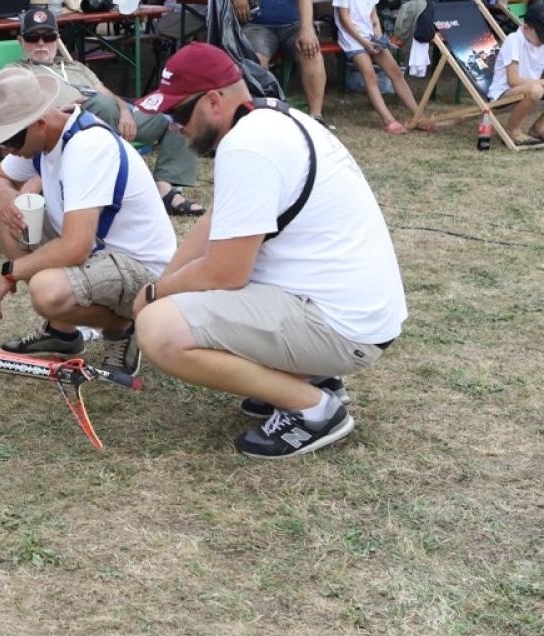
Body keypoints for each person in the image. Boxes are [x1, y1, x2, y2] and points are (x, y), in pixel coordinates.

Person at [132, 43, 407, 460]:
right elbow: (214, 224)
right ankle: (309, 378)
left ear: (213, 101)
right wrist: (163, 282)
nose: (173, 126)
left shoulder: (248, 145)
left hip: (341, 327)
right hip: (354, 315)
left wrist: (155, 295)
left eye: (179, 114)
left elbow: (224, 274)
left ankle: (314, 410)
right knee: (176, 302)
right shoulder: (273, 118)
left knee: (159, 329)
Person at [0, 66, 177, 375]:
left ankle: (123, 325)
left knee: (46, 291)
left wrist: (11, 272)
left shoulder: (86, 146)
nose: (5, 149)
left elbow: (76, 247)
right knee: (0, 221)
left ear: (39, 122)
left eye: (10, 140)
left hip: (141, 270)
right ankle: (62, 332)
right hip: (100, 253)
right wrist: (4, 198)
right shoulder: (46, 136)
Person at [13, 8, 203, 215]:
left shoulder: (76, 67)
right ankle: (114, 188)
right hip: (71, 127)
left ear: (57, 40)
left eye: (48, 36)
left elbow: (108, 95)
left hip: (112, 117)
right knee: (100, 104)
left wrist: (124, 111)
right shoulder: (17, 72)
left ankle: (165, 188)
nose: (41, 43)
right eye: (33, 38)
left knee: (177, 107)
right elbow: (25, 113)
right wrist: (73, 108)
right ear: (21, 42)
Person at [332, 0, 428, 135]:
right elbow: (345, 19)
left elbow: (373, 15)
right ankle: (388, 119)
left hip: (369, 37)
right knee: (370, 76)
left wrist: (377, 36)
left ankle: (418, 114)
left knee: (395, 72)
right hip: (353, 40)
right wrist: (365, 42)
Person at [488, 3, 544, 144]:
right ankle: (512, 130)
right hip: (504, 93)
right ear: (526, 28)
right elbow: (513, 80)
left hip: (532, 90)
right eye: (542, 36)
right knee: (536, 89)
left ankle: (539, 128)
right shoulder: (514, 41)